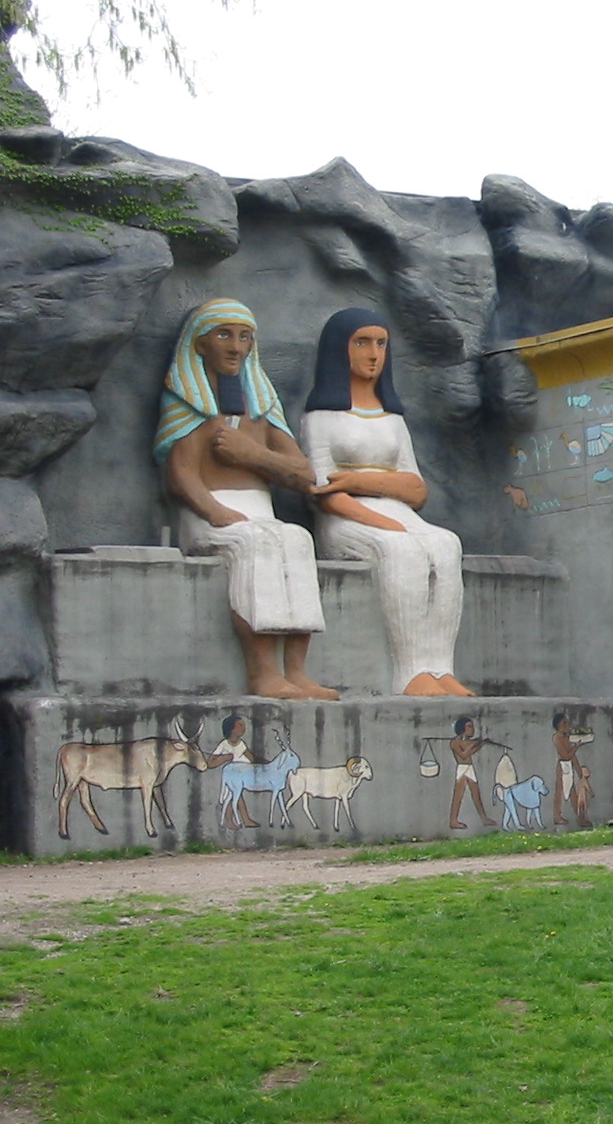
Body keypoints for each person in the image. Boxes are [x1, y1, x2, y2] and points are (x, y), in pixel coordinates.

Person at [156, 299, 336, 700]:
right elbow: (180, 474)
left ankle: (297, 671)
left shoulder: (261, 408)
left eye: (244, 337)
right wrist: (216, 511)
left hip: (261, 514)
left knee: (297, 539)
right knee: (252, 544)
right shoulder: (190, 403)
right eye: (224, 335)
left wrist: (251, 454)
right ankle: (263, 673)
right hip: (209, 513)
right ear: (200, 344)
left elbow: (305, 475)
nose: (235, 347)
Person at [300, 308, 471, 697]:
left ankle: (441, 669)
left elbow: (416, 490)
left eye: (380, 343)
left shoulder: (393, 419)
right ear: (339, 350)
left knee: (447, 544)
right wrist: (379, 515)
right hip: (346, 521)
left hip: (400, 515)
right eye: (362, 342)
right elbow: (324, 492)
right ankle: (411, 672)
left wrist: (362, 479)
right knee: (400, 551)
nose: (373, 353)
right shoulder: (320, 417)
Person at [207, 713, 259, 828]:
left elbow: (252, 758)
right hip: (232, 776)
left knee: (235, 798)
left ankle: (242, 820)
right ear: (231, 729)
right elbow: (210, 763)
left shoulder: (241, 744)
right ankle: (235, 821)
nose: (243, 728)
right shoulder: (224, 745)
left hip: (242, 775)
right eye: (240, 725)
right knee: (233, 798)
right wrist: (224, 758)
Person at [448, 716, 491, 829]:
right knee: (458, 795)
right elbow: (464, 755)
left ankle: (484, 818)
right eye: (469, 726)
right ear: (462, 728)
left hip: (469, 768)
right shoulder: (455, 742)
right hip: (462, 768)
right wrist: (474, 744)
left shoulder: (467, 742)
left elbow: (472, 751)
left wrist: (481, 744)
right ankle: (453, 821)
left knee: (476, 794)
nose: (472, 729)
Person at [551, 711, 593, 826]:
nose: (567, 726)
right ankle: (557, 816)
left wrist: (579, 772)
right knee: (560, 792)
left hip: (569, 766)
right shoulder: (557, 738)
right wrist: (576, 747)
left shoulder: (567, 738)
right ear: (558, 725)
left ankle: (580, 817)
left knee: (573, 793)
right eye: (564, 723)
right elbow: (566, 755)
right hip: (562, 767)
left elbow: (573, 757)